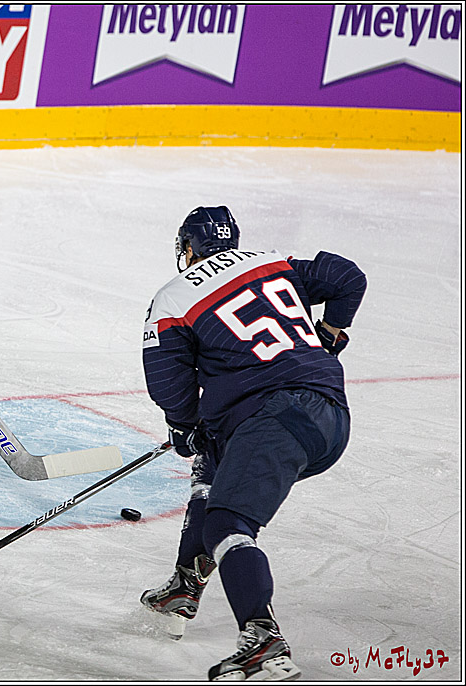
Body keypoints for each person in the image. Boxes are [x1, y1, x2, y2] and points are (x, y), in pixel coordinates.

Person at [139, 206, 367, 680]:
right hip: (330, 414)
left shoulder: (173, 297)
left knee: (228, 522)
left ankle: (262, 639)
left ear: (188, 247)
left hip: (274, 419)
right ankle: (186, 583)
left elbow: (168, 382)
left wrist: (183, 425)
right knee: (213, 464)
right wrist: (330, 332)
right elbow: (348, 277)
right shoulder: (272, 262)